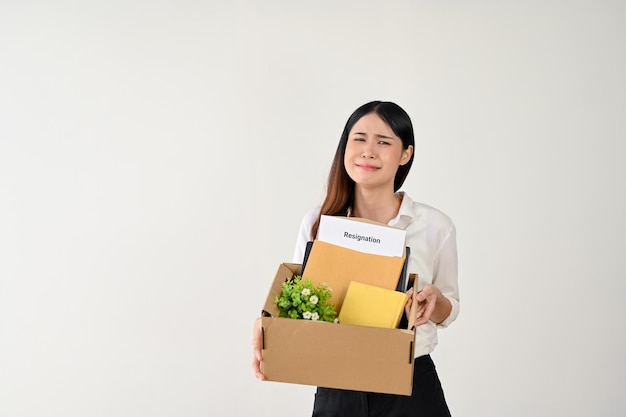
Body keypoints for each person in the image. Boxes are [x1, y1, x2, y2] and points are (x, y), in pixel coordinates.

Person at [252, 100, 460, 417]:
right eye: (359, 138)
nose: (368, 151)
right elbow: (294, 306)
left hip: (410, 387)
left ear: (406, 153)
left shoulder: (434, 226)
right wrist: (267, 326)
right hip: (337, 387)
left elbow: (450, 307)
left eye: (383, 142)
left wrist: (434, 300)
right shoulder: (316, 223)